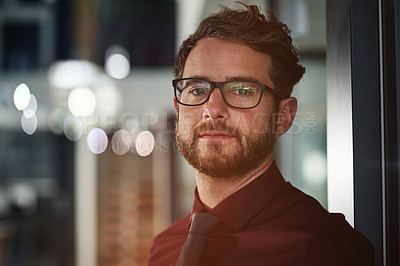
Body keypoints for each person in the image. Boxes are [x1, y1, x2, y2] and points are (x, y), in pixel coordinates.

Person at [148, 3, 374, 266]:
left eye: (242, 90)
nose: (213, 109)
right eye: (197, 90)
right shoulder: (163, 249)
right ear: (178, 109)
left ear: (283, 117)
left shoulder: (326, 247)